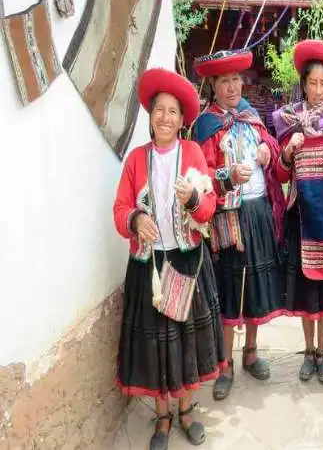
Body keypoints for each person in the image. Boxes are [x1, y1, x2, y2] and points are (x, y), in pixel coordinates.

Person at [113, 68, 227, 450]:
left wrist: (192, 200)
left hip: (185, 261)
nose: (165, 117)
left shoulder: (192, 153)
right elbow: (120, 209)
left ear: (182, 120)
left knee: (184, 342)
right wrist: (136, 218)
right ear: (151, 116)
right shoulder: (135, 160)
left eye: (173, 112)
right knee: (156, 345)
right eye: (159, 110)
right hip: (148, 266)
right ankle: (162, 416)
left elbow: (209, 207)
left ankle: (187, 409)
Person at [192, 49, 287, 401]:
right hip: (227, 219)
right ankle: (224, 365)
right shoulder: (205, 126)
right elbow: (199, 176)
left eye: (236, 80)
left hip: (258, 210)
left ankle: (251, 352)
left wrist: (267, 149)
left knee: (256, 285)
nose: (232, 87)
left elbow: (274, 157)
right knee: (231, 290)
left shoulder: (251, 117)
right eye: (224, 81)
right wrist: (227, 175)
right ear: (213, 85)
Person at [272, 40, 323, 384]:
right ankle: (308, 351)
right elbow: (279, 173)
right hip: (301, 214)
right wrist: (290, 152)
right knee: (307, 288)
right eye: (312, 83)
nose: (318, 90)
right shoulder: (287, 120)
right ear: (303, 84)